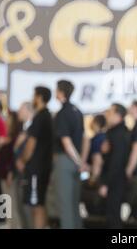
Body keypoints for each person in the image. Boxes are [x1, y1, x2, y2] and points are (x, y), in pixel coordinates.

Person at [15, 87, 53, 229]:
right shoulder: (47, 116)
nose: (33, 98)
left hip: (36, 169)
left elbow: (31, 144)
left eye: (34, 95)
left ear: (39, 97)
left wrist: (22, 160)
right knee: (39, 204)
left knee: (36, 206)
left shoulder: (41, 117)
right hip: (42, 168)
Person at [53, 80, 89, 229]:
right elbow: (86, 139)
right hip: (76, 162)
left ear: (61, 92)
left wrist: (79, 162)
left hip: (65, 161)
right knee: (74, 204)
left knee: (65, 205)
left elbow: (66, 143)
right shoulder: (77, 111)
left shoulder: (62, 113)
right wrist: (82, 161)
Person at [99, 103, 131, 228]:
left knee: (113, 216)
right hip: (113, 178)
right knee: (110, 215)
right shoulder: (112, 132)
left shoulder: (119, 134)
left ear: (118, 115)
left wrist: (106, 183)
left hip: (115, 180)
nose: (107, 115)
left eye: (110, 112)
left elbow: (116, 161)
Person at [11, 102, 34, 229]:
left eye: (21, 109)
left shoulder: (33, 130)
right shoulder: (23, 130)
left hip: (28, 173)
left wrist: (23, 161)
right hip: (20, 173)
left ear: (27, 111)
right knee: (21, 208)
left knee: (27, 209)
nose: (18, 112)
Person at [88, 114, 106, 184]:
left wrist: (94, 178)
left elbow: (97, 159)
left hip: (97, 175)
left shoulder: (97, 139)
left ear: (96, 123)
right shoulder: (104, 136)